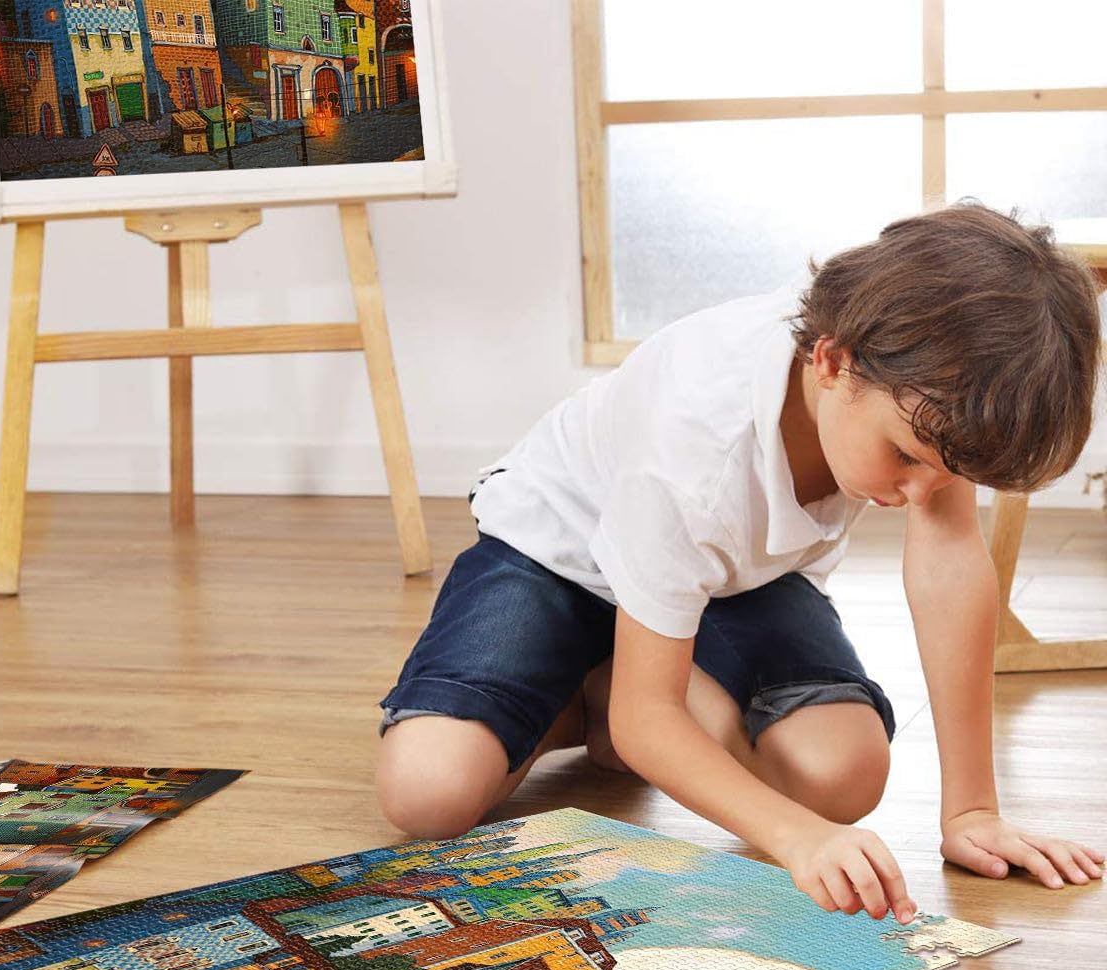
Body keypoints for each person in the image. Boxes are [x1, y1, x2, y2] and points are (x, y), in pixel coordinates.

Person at [375, 199, 1105, 923]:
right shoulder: (695, 448)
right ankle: (591, 687)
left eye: (946, 474)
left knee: (843, 774)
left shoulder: (926, 370)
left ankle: (609, 680)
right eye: (906, 458)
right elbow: (647, 718)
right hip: (559, 556)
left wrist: (972, 809)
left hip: (729, 580)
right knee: (428, 791)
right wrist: (796, 837)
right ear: (832, 362)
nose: (920, 493)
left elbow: (949, 563)